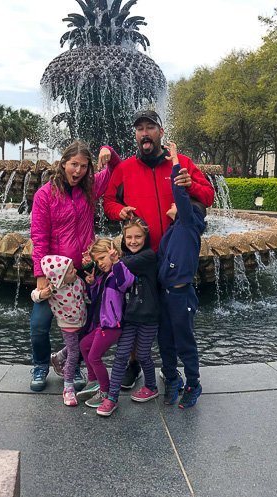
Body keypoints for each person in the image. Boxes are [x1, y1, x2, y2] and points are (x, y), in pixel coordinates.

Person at [103, 109, 214, 387]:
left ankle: (170, 366)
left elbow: (208, 195)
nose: (144, 133)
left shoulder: (182, 162)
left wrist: (192, 187)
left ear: (161, 132)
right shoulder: (124, 168)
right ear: (136, 135)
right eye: (139, 129)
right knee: (133, 314)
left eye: (150, 127)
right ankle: (131, 365)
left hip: (173, 256)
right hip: (140, 256)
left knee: (172, 314)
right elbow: (107, 203)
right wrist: (120, 211)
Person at [29, 141, 119, 392]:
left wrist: (108, 151)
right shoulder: (45, 195)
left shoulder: (89, 190)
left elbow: (115, 168)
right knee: (39, 322)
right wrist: (40, 276)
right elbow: (39, 238)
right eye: (74, 165)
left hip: (81, 269)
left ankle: (71, 362)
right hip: (54, 271)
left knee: (81, 322)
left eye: (83, 166)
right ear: (63, 164)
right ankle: (40, 364)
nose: (78, 171)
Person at [157, 142, 206, 409]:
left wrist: (176, 160)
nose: (174, 203)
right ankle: (172, 380)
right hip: (165, 294)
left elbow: (179, 191)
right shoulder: (174, 230)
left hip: (180, 294)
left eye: (180, 203)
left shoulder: (188, 224)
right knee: (165, 339)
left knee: (184, 342)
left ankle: (193, 383)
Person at [101, 217, 159, 416]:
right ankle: (112, 398)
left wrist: (112, 260)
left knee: (143, 355)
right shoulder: (125, 258)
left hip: (149, 317)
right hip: (129, 317)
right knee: (120, 356)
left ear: (145, 237)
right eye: (129, 237)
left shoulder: (148, 257)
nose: (133, 241)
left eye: (138, 236)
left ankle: (151, 386)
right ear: (124, 239)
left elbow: (125, 265)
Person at [75, 239, 134, 416]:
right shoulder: (104, 277)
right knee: (84, 345)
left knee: (94, 357)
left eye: (103, 258)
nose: (100, 263)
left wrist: (116, 262)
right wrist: (92, 283)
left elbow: (126, 283)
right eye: (98, 260)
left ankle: (105, 391)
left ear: (113, 253)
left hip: (113, 326)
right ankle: (93, 380)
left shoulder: (119, 271)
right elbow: (98, 299)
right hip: (103, 324)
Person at [31, 256, 88, 406]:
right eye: (70, 271)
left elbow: (85, 296)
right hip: (67, 324)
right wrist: (41, 295)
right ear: (61, 276)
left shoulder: (78, 281)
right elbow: (34, 295)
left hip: (82, 321)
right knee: (74, 352)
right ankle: (68, 388)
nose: (75, 270)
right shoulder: (53, 289)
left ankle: (57, 357)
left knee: (79, 345)